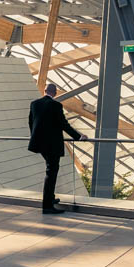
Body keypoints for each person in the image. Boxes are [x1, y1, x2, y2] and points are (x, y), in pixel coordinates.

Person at [28, 83, 87, 214]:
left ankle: (50, 199)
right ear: (55, 93)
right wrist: (78, 136)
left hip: (38, 144)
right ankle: (47, 206)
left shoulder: (34, 104)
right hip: (52, 145)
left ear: (44, 91)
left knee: (50, 170)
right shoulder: (56, 106)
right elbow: (63, 125)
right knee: (51, 173)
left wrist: (35, 138)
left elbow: (31, 123)